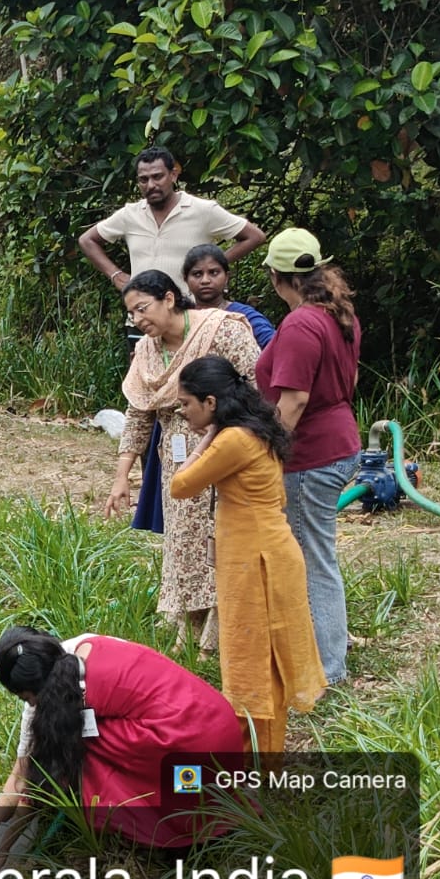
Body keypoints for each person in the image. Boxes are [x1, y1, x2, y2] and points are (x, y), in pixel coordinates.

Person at [169, 356, 327, 753]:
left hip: (258, 561)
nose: (183, 412)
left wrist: (205, 440)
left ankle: (255, 760)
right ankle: (258, 755)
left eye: (187, 404)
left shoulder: (233, 439)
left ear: (210, 402)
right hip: (262, 553)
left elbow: (181, 484)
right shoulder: (251, 430)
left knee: (251, 660)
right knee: (260, 659)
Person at [0, 627, 246, 852]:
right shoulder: (80, 647)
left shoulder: (71, 696)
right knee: (72, 734)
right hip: (224, 732)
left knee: (75, 745)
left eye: (27, 698)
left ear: (36, 689)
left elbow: (28, 778)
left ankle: (165, 821)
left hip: (191, 751)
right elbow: (22, 773)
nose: (30, 705)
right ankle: (212, 805)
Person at [103, 271, 259, 650]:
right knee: (182, 539)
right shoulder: (147, 351)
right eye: (132, 315)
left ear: (169, 299)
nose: (139, 321)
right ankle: (189, 622)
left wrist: (226, 432)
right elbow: (139, 413)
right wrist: (122, 476)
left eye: (143, 309)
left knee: (219, 534)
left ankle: (219, 631)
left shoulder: (221, 331)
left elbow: (257, 385)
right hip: (174, 453)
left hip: (227, 447)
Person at [255, 229, 362, 684]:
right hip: (340, 440)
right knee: (316, 556)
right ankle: (318, 657)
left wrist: (265, 451)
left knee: (313, 562)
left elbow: (294, 400)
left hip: (311, 455)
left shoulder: (300, 323)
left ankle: (326, 671)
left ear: (278, 278)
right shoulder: (339, 315)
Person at [79, 147, 266, 298]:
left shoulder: (202, 210)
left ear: (173, 175)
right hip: (142, 319)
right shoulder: (130, 214)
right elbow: (87, 240)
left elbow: (254, 236)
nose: (151, 185)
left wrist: (212, 267)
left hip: (189, 315)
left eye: (157, 176)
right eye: (143, 180)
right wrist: (116, 275)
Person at [182, 244, 275, 349]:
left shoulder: (244, 316)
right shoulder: (180, 318)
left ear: (226, 277)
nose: (205, 280)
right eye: (197, 274)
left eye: (213, 273)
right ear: (186, 280)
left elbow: (276, 347)